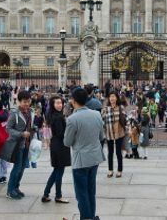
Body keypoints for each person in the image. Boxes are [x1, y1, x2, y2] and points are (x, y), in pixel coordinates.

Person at [64, 87, 105, 220]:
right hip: (94, 158)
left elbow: (67, 142)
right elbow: (101, 136)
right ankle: (91, 216)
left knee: (81, 193)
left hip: (81, 160)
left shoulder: (72, 119)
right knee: (90, 191)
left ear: (73, 101)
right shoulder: (96, 114)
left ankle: (86, 218)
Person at [5, 90, 35, 200]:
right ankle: (10, 190)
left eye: (28, 101)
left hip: (26, 144)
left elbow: (31, 126)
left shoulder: (31, 112)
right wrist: (21, 134)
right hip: (17, 144)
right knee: (17, 168)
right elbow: (8, 128)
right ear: (19, 101)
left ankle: (16, 187)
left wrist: (33, 130)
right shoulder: (14, 113)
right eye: (24, 102)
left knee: (22, 167)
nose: (27, 104)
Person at [41, 95, 72, 204]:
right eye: (57, 103)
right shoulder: (58, 117)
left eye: (61, 103)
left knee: (56, 171)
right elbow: (61, 133)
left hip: (55, 145)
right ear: (53, 105)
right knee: (59, 172)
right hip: (60, 146)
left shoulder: (52, 115)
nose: (60, 105)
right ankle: (58, 196)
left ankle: (46, 194)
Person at [102, 92, 126, 178]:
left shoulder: (120, 107)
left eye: (113, 96)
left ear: (116, 98)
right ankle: (110, 169)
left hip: (119, 132)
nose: (111, 98)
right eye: (110, 96)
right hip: (109, 133)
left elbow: (124, 119)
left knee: (118, 152)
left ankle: (119, 170)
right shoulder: (105, 108)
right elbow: (102, 120)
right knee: (110, 152)